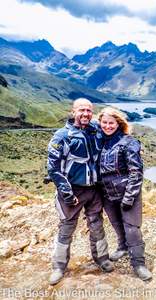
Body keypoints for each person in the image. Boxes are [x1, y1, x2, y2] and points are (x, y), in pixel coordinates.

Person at [47, 98, 113, 285]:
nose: (85, 114)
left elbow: (113, 136)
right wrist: (66, 193)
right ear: (73, 111)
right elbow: (53, 168)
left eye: (89, 111)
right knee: (67, 228)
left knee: (97, 225)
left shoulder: (96, 131)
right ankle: (59, 267)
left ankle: (102, 259)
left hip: (94, 190)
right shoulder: (62, 136)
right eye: (82, 110)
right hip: (73, 191)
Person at [98, 107, 152, 281]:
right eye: (104, 122)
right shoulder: (99, 141)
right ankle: (122, 247)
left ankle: (139, 264)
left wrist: (129, 197)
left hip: (127, 193)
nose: (107, 126)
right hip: (107, 193)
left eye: (111, 123)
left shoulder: (128, 142)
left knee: (132, 229)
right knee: (116, 223)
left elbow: (136, 172)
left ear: (118, 123)